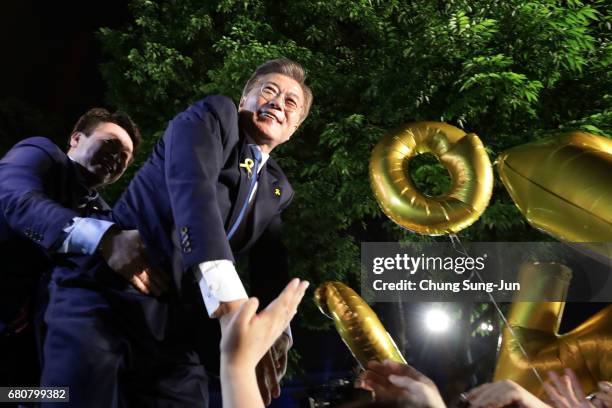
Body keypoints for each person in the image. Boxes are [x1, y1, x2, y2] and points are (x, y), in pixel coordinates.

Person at [40, 58, 313, 407]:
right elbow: (193, 186)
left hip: (174, 329)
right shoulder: (215, 116)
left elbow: (270, 263)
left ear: (293, 129)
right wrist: (228, 300)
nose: (277, 102)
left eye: (291, 102)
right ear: (244, 101)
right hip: (107, 297)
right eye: (268, 92)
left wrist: (275, 331)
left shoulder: (277, 187)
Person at [0, 108, 158, 387]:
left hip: (25, 346)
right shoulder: (40, 154)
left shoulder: (104, 215)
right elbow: (14, 197)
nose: (117, 157)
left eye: (125, 157)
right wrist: (103, 239)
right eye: (111, 144)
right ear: (75, 138)